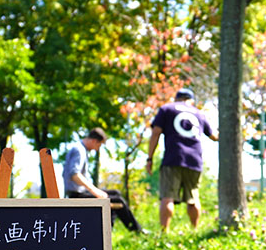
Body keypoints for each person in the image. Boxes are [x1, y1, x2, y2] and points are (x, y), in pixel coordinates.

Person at [146, 89, 218, 232]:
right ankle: (194, 230)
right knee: (193, 198)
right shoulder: (199, 113)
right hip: (195, 160)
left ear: (176, 98)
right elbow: (214, 136)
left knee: (167, 197)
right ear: (191, 100)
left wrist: (150, 158)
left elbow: (156, 133)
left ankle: (164, 232)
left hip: (173, 158)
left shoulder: (167, 109)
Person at [63, 127, 145, 233]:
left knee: (116, 193)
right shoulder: (79, 150)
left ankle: (108, 232)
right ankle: (136, 231)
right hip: (76, 195)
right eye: (99, 145)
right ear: (94, 141)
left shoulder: (81, 149)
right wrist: (95, 191)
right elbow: (75, 175)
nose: (97, 149)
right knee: (117, 200)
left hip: (81, 192)